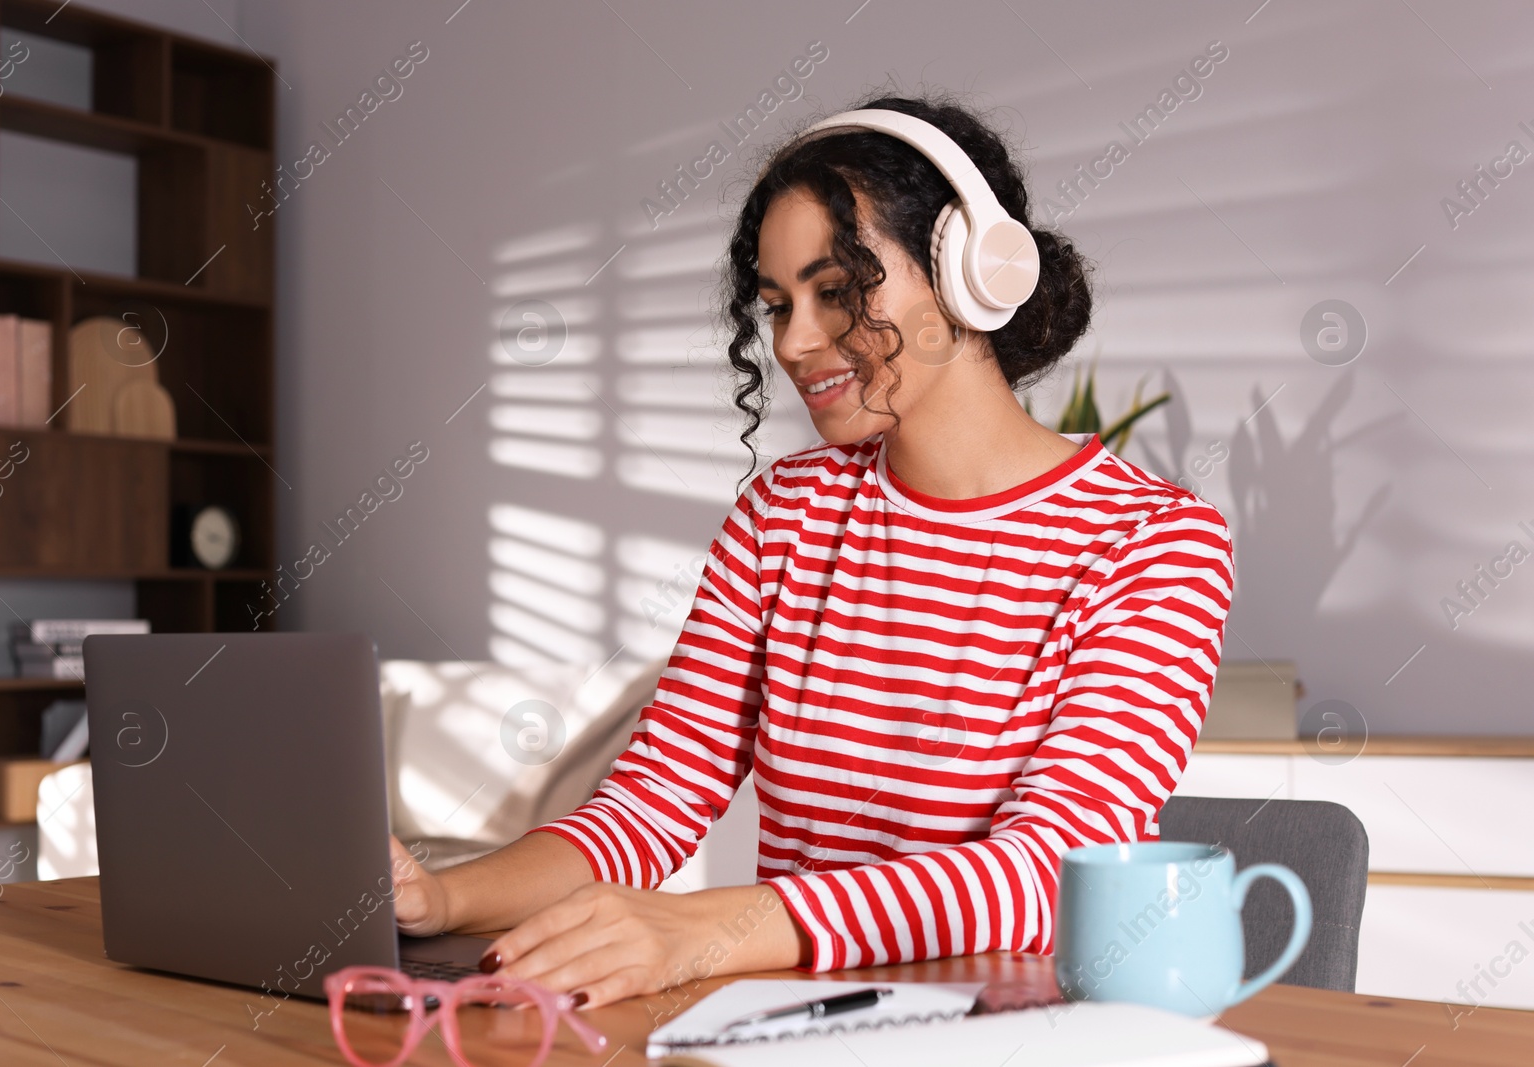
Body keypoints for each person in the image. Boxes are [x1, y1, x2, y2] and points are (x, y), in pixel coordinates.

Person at [389, 90, 1235, 1010]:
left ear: (969, 272)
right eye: (777, 303)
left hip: (993, 1037)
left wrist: (715, 929)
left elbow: (1045, 873)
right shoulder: (783, 515)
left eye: (837, 292)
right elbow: (648, 807)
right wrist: (440, 896)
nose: (793, 342)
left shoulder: (1153, 544)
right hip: (783, 1028)